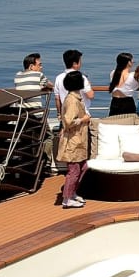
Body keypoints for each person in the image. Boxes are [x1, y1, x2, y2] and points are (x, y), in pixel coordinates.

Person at [56, 71, 92, 208]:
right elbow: (69, 121)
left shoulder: (76, 98)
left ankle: (72, 193)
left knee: (83, 166)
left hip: (79, 139)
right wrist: (84, 119)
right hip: (73, 140)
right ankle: (66, 198)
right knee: (74, 170)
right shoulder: (72, 100)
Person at [13, 53, 55, 172]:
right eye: (39, 65)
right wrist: (43, 87)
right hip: (37, 115)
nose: (41, 67)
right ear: (32, 66)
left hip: (23, 116)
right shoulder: (38, 75)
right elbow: (51, 86)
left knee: (26, 140)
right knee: (49, 137)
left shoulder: (18, 76)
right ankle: (45, 164)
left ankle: (27, 165)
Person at [55, 49, 94, 115]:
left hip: (66, 115)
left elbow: (57, 98)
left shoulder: (58, 78)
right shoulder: (82, 78)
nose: (81, 63)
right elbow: (91, 95)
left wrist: (59, 113)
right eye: (80, 61)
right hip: (81, 114)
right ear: (75, 64)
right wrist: (89, 85)